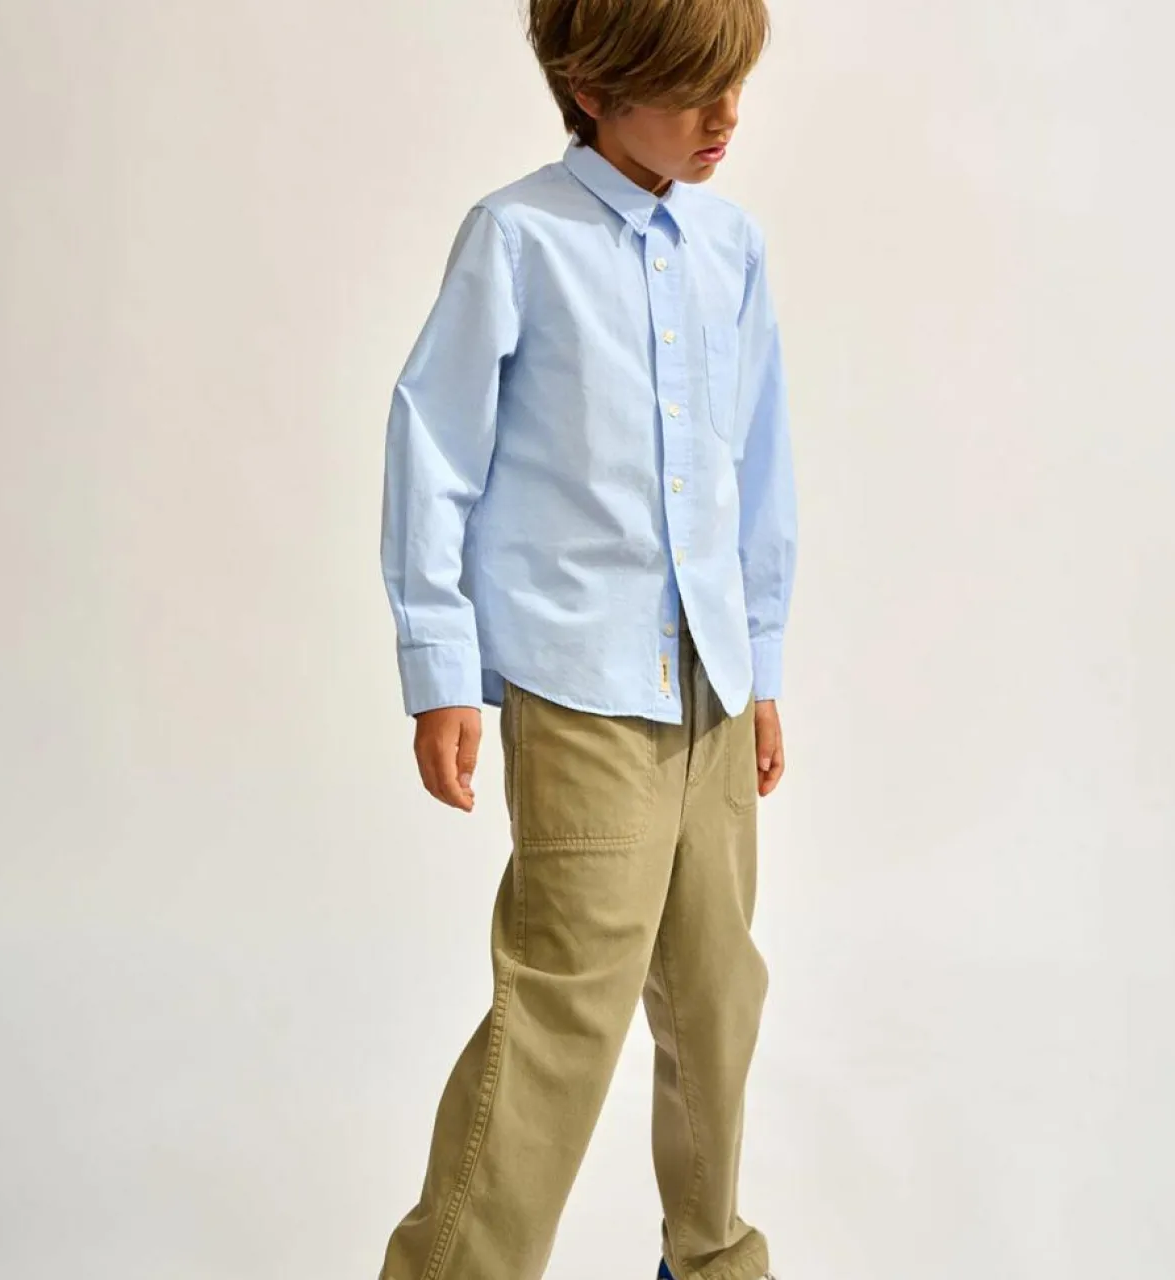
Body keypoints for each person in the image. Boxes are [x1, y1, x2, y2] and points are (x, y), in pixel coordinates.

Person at [377, 1, 797, 1277]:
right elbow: (434, 450)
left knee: (717, 999)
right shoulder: (518, 237)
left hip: (710, 689)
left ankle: (710, 1257)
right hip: (582, 686)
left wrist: (761, 663)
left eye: (733, 83)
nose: (724, 117)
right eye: (690, 89)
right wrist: (440, 666)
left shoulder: (729, 247)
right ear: (595, 88)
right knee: (565, 1009)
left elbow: (754, 468)